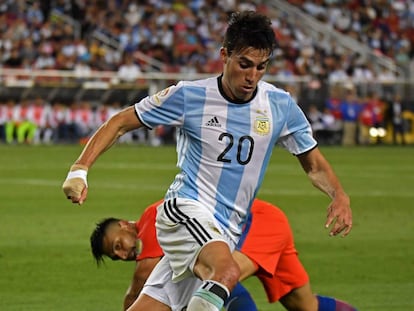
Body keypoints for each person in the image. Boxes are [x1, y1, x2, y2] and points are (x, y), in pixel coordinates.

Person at [63, 11, 352, 311]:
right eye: (244, 64)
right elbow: (122, 121)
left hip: (225, 230)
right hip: (185, 211)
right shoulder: (190, 96)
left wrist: (338, 194)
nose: (252, 76)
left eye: (260, 67)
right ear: (224, 55)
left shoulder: (280, 106)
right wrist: (80, 169)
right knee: (226, 273)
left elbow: (314, 163)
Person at [91, 199, 357, 311]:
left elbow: (143, 276)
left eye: (118, 245)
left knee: (215, 283)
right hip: (268, 222)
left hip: (256, 223)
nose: (124, 253)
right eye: (117, 256)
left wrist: (128, 304)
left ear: (125, 225)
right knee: (305, 306)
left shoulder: (152, 217)